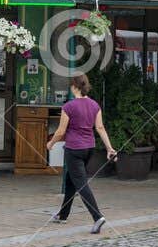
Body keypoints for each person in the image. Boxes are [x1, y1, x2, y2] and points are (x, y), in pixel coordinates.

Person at [45, 74, 116, 233]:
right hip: (89, 149)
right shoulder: (94, 105)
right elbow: (100, 128)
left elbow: (61, 131)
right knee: (71, 181)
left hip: (74, 149)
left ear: (74, 87)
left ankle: (97, 217)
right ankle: (63, 215)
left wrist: (51, 143)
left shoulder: (68, 107)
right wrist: (109, 148)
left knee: (81, 183)